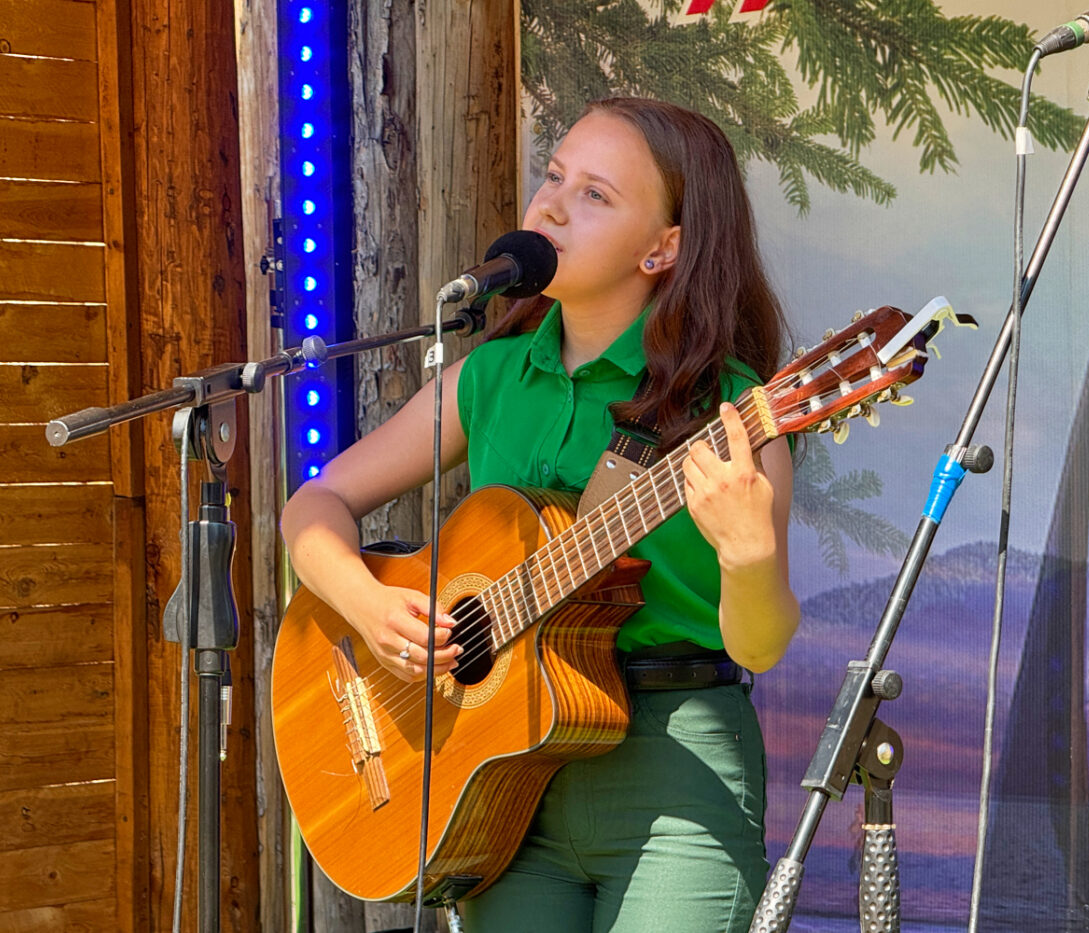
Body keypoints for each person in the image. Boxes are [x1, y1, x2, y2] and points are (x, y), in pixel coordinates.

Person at [279, 97, 800, 932]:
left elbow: (762, 645)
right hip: (501, 779)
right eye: (554, 176)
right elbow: (315, 504)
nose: (551, 205)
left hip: (673, 777)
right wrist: (368, 605)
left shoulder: (734, 410)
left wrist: (748, 556)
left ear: (663, 248)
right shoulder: (488, 377)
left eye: (596, 194)